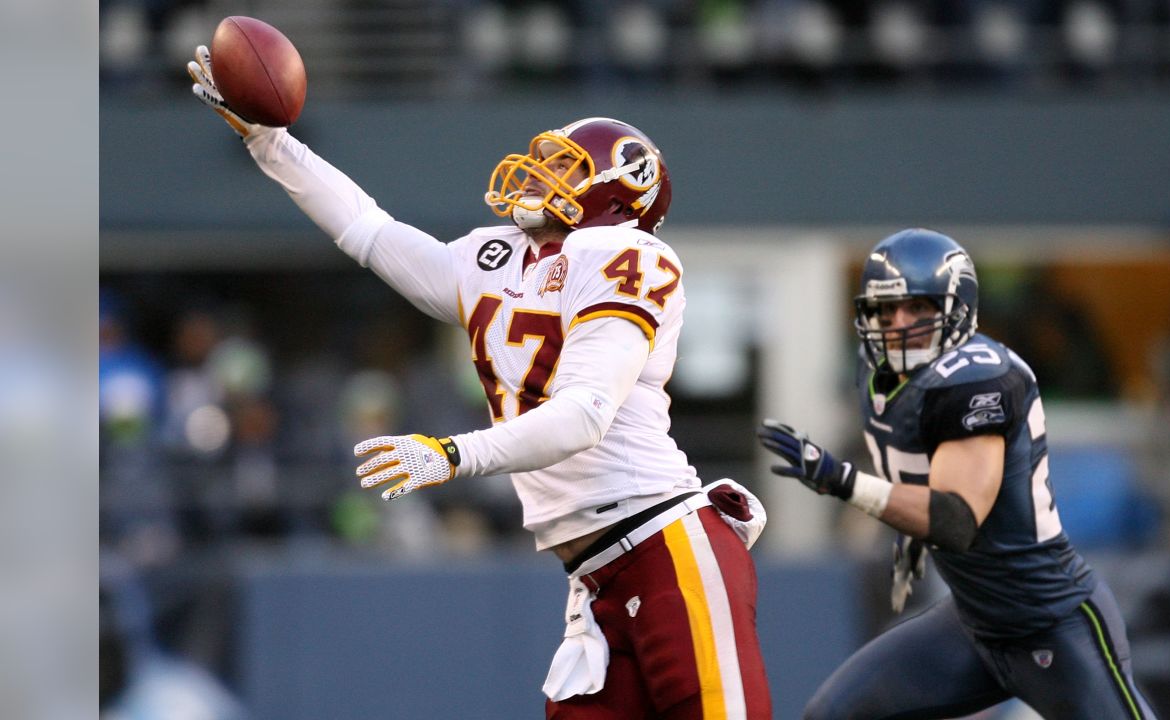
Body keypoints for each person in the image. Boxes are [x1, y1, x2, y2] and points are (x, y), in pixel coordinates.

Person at [186, 46, 771, 719]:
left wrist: (454, 454)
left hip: (666, 546)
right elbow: (367, 231)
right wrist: (270, 143)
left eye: (564, 167)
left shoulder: (623, 253)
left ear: (616, 193)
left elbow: (585, 414)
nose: (540, 173)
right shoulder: (499, 257)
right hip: (594, 577)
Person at [757, 229, 1157, 720]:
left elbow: (955, 518)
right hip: (972, 623)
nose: (899, 324)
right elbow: (918, 472)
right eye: (887, 309)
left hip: (1051, 620)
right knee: (834, 714)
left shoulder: (977, 379)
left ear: (957, 308)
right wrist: (908, 539)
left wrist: (842, 481)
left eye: (919, 308)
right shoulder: (875, 370)